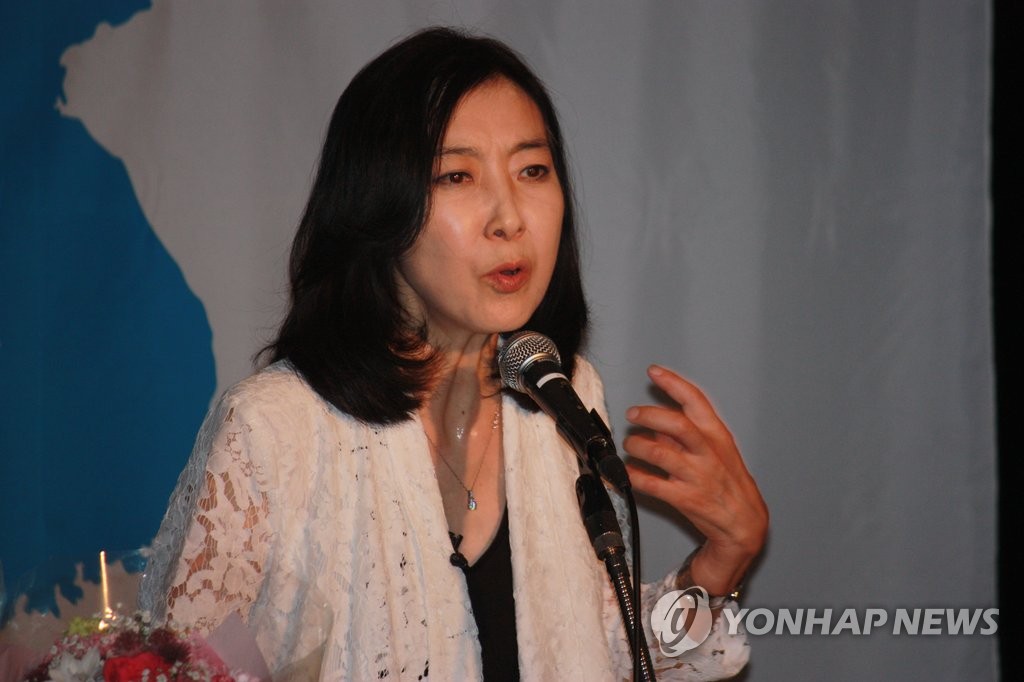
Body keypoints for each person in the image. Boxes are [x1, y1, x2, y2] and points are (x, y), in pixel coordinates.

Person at [140, 27, 768, 681]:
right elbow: (168, 666)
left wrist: (724, 557)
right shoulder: (273, 429)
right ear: (378, 205)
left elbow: (609, 654)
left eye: (532, 170)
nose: (509, 218)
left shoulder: (563, 394)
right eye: (457, 175)